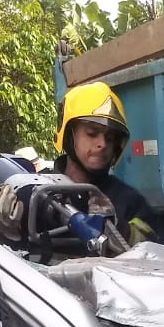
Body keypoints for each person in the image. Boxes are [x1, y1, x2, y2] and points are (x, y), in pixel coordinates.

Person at [53, 82, 155, 245]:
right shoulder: (38, 189)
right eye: (92, 133)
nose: (103, 144)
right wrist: (7, 223)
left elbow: (152, 249)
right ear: (68, 135)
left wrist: (118, 228)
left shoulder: (129, 201)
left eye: (110, 137)